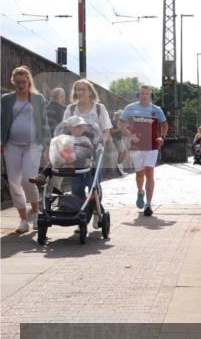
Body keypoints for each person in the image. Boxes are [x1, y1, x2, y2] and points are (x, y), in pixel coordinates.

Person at [1, 66, 51, 233]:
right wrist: (1, 140)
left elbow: (44, 122)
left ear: (29, 81)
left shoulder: (38, 99)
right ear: (13, 82)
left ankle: (36, 214)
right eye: (18, 82)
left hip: (33, 145)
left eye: (24, 82)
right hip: (11, 145)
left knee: (28, 181)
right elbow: (2, 121)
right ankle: (23, 220)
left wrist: (47, 146)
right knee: (14, 183)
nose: (21, 85)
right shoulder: (6, 99)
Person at [63, 79, 113, 223]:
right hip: (76, 152)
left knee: (93, 183)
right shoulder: (71, 109)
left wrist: (101, 141)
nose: (80, 92)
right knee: (76, 185)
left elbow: (106, 129)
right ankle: (80, 213)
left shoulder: (99, 108)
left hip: (95, 151)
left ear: (90, 91)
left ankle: (96, 210)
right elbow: (65, 128)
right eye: (77, 89)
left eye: (83, 89)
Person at [119, 85, 168, 217]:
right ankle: (140, 191)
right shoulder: (130, 108)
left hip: (152, 145)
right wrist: (130, 135)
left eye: (147, 94)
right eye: (142, 94)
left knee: (149, 172)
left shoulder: (156, 110)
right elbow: (121, 124)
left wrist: (161, 137)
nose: (144, 96)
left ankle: (148, 204)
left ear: (150, 95)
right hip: (136, 146)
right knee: (139, 175)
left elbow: (164, 124)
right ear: (138, 94)